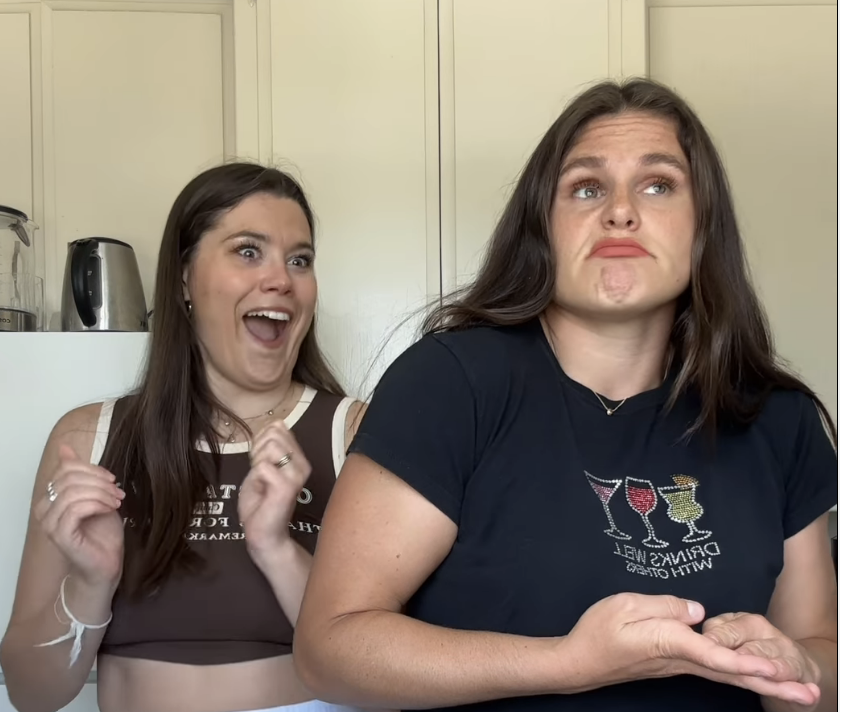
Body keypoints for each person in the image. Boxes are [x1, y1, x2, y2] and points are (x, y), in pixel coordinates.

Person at [292, 78, 839, 712]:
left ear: (703, 227)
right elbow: (329, 649)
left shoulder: (778, 420)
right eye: (587, 187)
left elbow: (818, 652)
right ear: (542, 229)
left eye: (658, 184)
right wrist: (566, 664)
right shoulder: (448, 385)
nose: (621, 211)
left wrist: (795, 666)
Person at [0, 162, 367, 712]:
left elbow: (381, 676)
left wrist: (276, 549)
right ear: (182, 279)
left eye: (300, 260)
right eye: (248, 251)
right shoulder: (87, 438)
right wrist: (90, 584)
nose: (282, 279)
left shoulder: (354, 434)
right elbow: (32, 694)